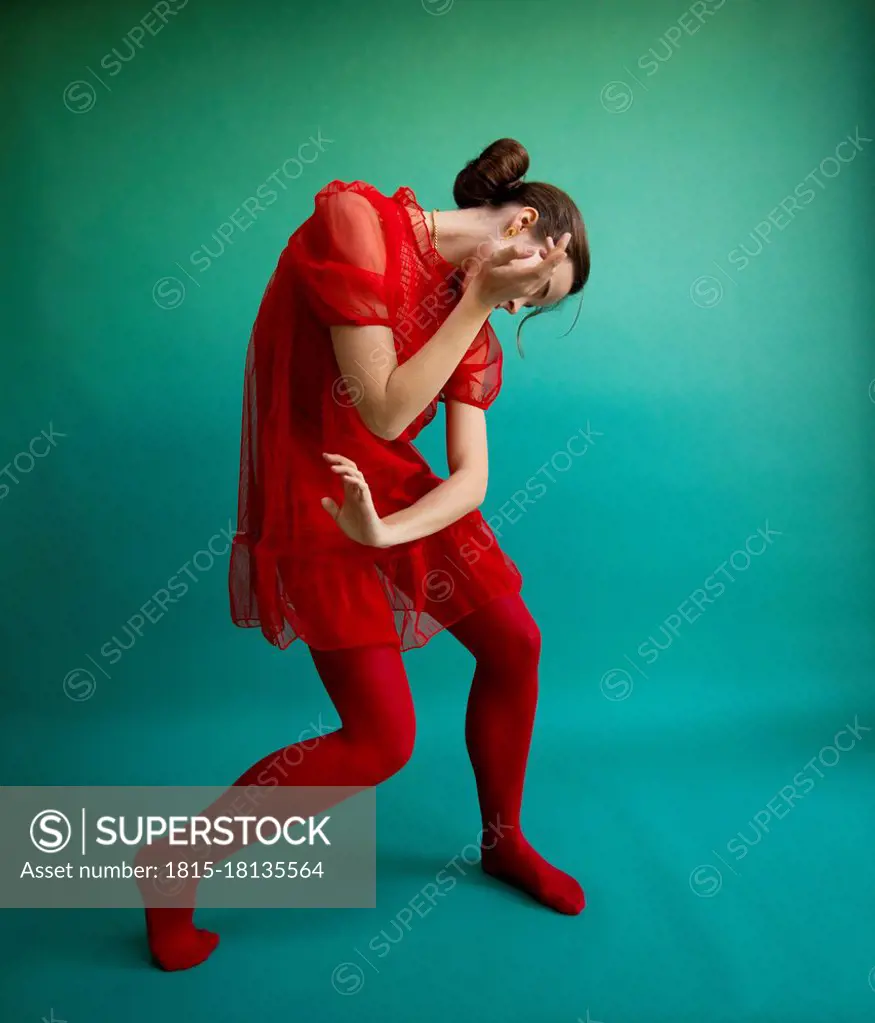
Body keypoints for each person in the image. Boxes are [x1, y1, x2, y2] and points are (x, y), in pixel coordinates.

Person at [142, 137, 591, 970]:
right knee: (381, 741)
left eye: (530, 305)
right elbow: (381, 408)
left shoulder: (473, 313)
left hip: (391, 493)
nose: (519, 307)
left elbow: (471, 478)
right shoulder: (356, 224)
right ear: (525, 228)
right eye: (536, 287)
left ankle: (502, 839)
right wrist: (480, 301)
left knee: (515, 642)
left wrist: (392, 529)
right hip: (318, 489)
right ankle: (175, 860)